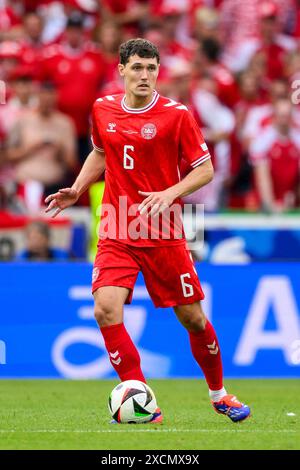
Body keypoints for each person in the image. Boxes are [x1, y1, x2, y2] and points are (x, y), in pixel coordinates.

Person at [45, 38, 250, 423]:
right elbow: (101, 152)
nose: (144, 75)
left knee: (193, 319)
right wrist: (78, 187)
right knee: (106, 310)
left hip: (164, 232)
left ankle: (220, 394)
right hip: (117, 226)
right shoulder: (102, 108)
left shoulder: (177, 115)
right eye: (137, 67)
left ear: (159, 72)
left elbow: (204, 169)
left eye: (151, 68)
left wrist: (169, 193)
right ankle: (143, 403)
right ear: (121, 69)